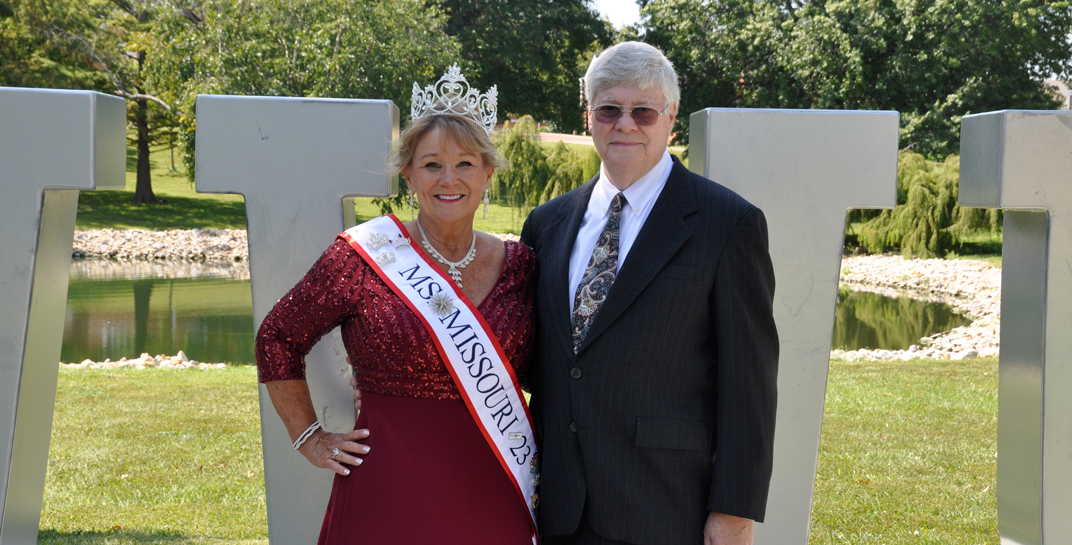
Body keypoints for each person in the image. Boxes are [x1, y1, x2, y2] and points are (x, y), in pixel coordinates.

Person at [256, 66, 539, 544]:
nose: (448, 179)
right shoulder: (362, 256)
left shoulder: (522, 266)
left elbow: (547, 371)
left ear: (488, 173)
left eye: (465, 163)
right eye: (431, 164)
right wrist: (309, 437)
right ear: (408, 174)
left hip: (494, 484)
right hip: (386, 487)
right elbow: (278, 337)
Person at [519, 42, 779, 545]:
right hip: (555, 506)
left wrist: (734, 513)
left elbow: (749, 386)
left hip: (664, 506)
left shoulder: (728, 224)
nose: (625, 125)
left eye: (643, 111)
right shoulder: (547, 223)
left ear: (670, 118)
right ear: (589, 116)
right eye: (609, 110)